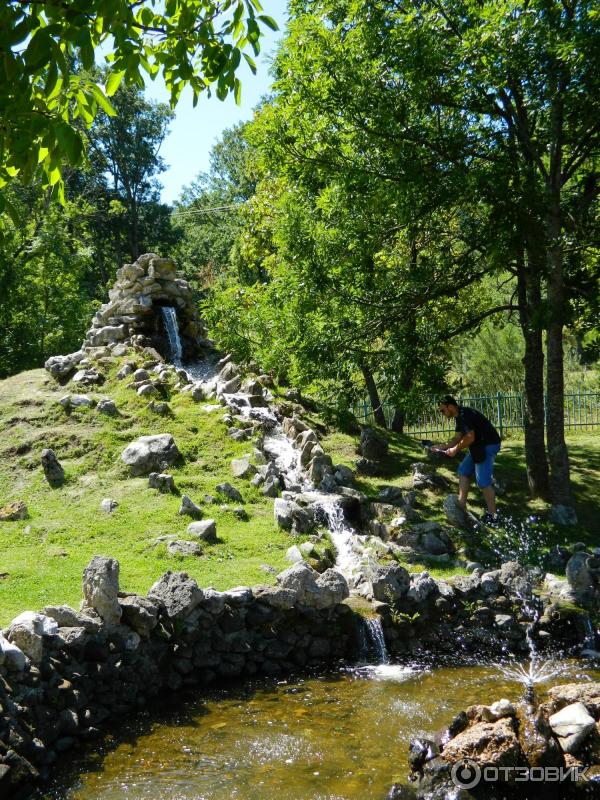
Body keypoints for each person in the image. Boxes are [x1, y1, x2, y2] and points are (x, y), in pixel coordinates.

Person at [432, 395, 501, 525]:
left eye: (442, 410)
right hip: (479, 446)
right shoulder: (459, 416)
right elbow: (458, 437)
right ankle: (461, 505)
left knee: (483, 482)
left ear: (450, 406)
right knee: (463, 470)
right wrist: (443, 447)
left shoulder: (465, 415)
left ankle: (493, 517)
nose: (442, 413)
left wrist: (455, 450)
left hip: (488, 445)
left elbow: (470, 437)